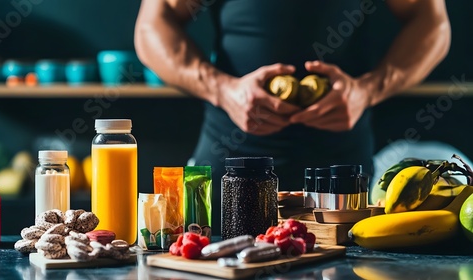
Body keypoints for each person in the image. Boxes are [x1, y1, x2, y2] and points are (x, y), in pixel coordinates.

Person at [134, 0, 451, 235]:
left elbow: (431, 20)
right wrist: (221, 89)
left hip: (340, 183)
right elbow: (154, 22)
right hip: (230, 173)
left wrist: (369, 90)